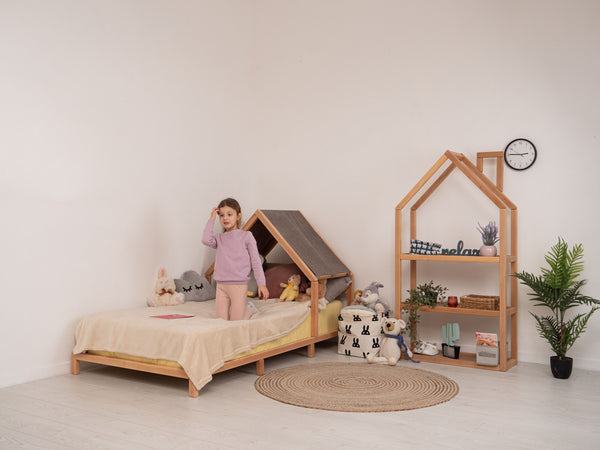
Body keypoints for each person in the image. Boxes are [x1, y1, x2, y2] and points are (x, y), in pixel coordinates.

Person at [202, 198, 269, 320]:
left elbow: (256, 261)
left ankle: (249, 310)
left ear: (238, 216)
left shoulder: (246, 236)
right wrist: (211, 218)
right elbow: (205, 239)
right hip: (221, 285)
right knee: (220, 321)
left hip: (238, 285)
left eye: (229, 214)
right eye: (221, 215)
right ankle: (244, 310)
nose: (225, 218)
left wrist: (261, 284)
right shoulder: (219, 239)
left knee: (236, 321)